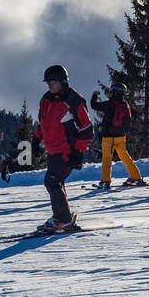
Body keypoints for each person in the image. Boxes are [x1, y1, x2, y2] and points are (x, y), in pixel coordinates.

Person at [33, 64, 94, 233]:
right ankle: (62, 217)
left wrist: (79, 152)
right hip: (52, 150)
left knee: (52, 181)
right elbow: (42, 123)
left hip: (67, 151)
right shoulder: (46, 99)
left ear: (63, 81)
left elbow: (86, 129)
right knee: (55, 182)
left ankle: (63, 220)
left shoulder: (73, 100)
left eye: (53, 82)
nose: (50, 85)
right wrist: (35, 141)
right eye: (48, 82)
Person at [90, 80, 147, 188]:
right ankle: (136, 177)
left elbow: (94, 105)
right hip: (121, 136)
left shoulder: (109, 104)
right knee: (125, 157)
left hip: (108, 137)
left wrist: (95, 95)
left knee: (107, 159)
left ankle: (105, 181)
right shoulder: (125, 105)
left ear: (114, 91)